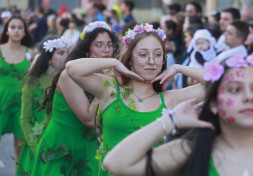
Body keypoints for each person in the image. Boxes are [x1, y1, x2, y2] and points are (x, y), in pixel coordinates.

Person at [103, 53, 253, 176]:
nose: (249, 97)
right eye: (235, 90)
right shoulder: (191, 149)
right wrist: (169, 121)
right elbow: (115, 163)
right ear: (213, 103)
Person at [66, 23, 207, 175]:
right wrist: (114, 62)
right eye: (143, 54)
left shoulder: (169, 99)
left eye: (158, 54)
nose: (151, 61)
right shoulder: (110, 89)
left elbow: (216, 84)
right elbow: (72, 69)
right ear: (130, 59)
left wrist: (179, 68)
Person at [30, 21, 120, 176]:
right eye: (99, 45)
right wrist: (106, 82)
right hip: (61, 146)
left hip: (89, 145)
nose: (106, 50)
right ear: (86, 51)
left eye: (109, 45)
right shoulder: (69, 76)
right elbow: (89, 120)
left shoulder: (112, 74)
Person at [16, 36, 72, 175]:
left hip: (65, 142)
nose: (66, 56)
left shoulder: (71, 81)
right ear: (48, 57)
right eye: (61, 52)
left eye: (68, 52)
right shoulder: (32, 83)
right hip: (41, 143)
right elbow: (24, 119)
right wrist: (36, 147)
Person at [0, 15, 34, 170]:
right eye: (13, 27)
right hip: (1, 101)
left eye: (20, 28)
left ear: (25, 32)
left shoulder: (31, 53)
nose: (16, 31)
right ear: (6, 30)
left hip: (22, 104)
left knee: (20, 147)